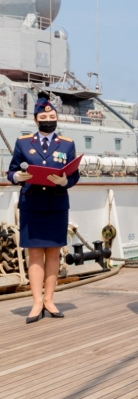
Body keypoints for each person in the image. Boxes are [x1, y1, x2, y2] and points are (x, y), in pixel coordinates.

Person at [7, 97, 80, 324]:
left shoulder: (67, 144)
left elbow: (74, 174)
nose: (48, 120)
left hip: (56, 204)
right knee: (35, 253)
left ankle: (49, 300)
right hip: (32, 204)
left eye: (52, 117)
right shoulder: (23, 142)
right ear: (35, 119)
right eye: (43, 117)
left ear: (56, 118)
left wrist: (65, 181)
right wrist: (17, 177)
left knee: (54, 254)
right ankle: (36, 301)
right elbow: (11, 172)